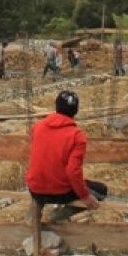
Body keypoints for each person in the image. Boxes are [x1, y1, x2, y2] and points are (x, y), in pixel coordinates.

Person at [26, 90, 108, 222]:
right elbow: (72, 172)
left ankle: (34, 212)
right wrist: (85, 196)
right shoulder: (77, 136)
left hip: (34, 189)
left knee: (44, 183)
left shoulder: (37, 127)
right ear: (76, 111)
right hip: (59, 192)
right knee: (101, 191)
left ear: (56, 106)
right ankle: (57, 217)